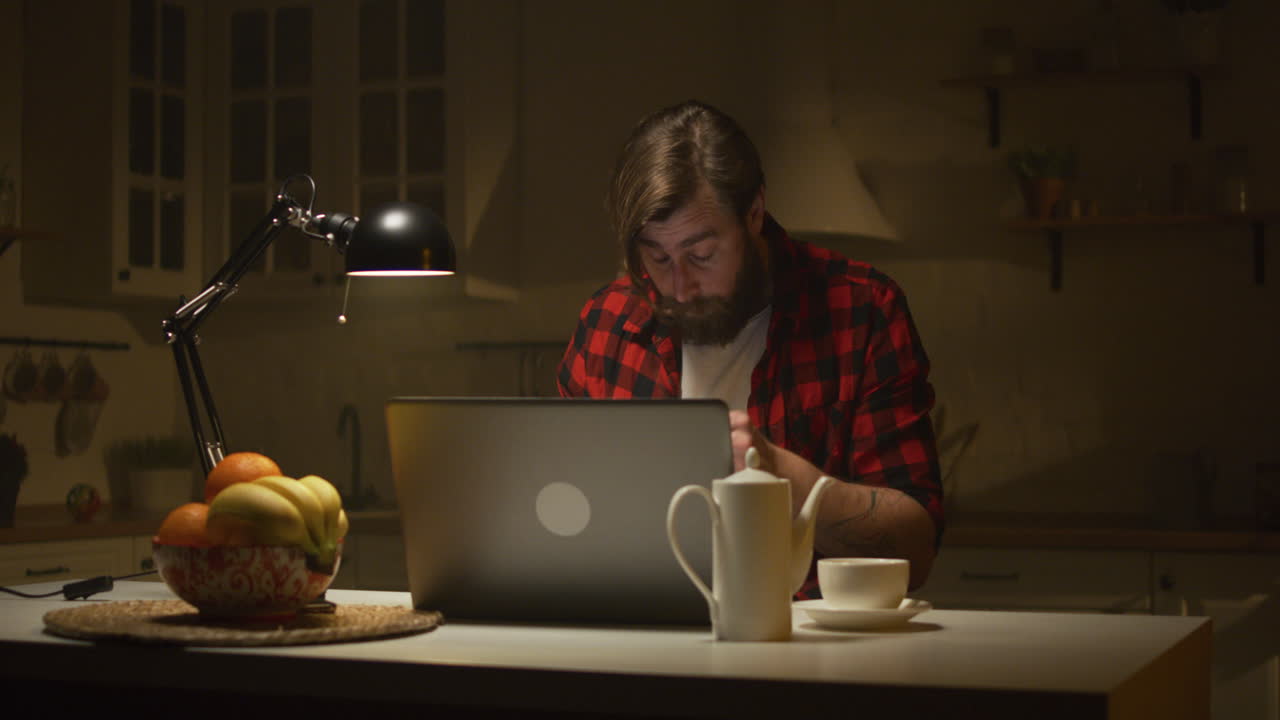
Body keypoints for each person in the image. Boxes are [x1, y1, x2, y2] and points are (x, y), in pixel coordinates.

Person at [556, 100, 942, 594]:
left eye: (702, 255)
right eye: (658, 258)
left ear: (754, 212)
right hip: (640, 624)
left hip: (800, 634)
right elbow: (563, 515)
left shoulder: (862, 310)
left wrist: (785, 478)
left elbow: (915, 548)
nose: (679, 288)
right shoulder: (607, 323)